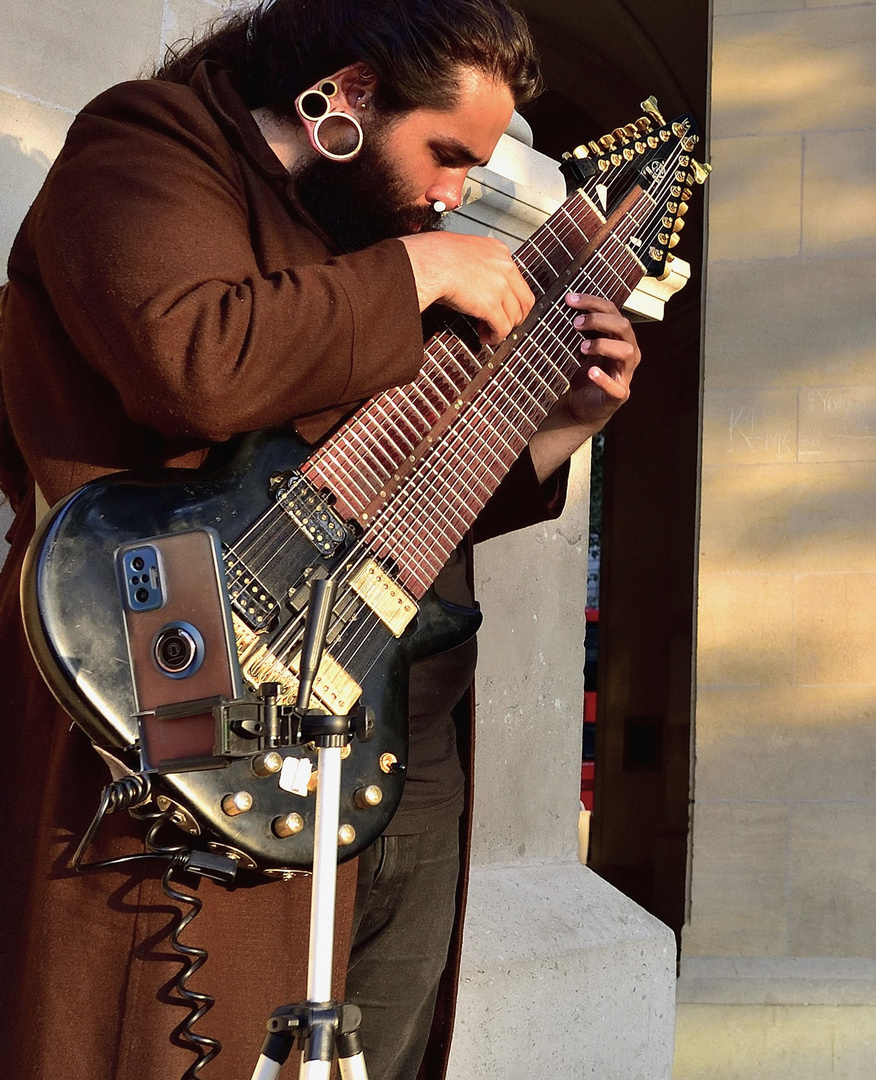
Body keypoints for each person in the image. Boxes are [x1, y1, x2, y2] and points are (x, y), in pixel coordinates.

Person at [0, 2, 643, 1076]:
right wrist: (421, 273)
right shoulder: (150, 145)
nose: (452, 193)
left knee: (369, 1042)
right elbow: (192, 363)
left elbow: (392, 497)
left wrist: (565, 425)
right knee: (169, 1025)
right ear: (345, 96)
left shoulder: (358, 238)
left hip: (385, 725)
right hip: (187, 679)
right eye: (445, 153)